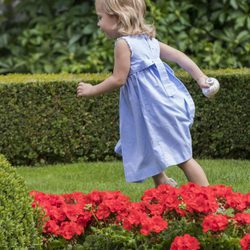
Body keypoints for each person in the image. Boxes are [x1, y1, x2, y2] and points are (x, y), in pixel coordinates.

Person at [77, 0, 210, 187]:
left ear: (117, 18)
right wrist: (201, 77)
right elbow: (179, 56)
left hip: (154, 110)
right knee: (149, 144)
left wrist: (92, 90)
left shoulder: (123, 44)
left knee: (182, 157)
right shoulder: (149, 41)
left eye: (100, 18)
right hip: (154, 109)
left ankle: (210, 199)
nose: (98, 23)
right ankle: (163, 186)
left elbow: (118, 79)